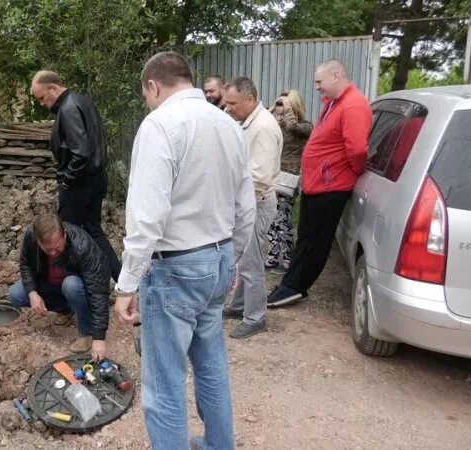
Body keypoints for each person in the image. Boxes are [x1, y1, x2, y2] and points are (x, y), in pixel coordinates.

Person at [114, 51, 255, 450]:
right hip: (218, 257)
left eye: (147, 95)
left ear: (153, 86)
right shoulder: (229, 125)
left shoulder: (160, 125)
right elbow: (246, 206)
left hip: (175, 268)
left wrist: (127, 284)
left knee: (164, 382)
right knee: (211, 365)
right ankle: (217, 445)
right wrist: (233, 261)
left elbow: (147, 218)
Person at [267, 60, 372, 308]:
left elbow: (357, 150)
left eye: (319, 82)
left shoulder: (354, 105)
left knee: (316, 241)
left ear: (336, 76)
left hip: (331, 187)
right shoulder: (334, 103)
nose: (316, 88)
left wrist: (350, 173)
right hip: (317, 185)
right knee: (305, 237)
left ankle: (296, 287)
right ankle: (290, 283)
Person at [30, 70, 122, 281]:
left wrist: (66, 180)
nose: (43, 104)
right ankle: (121, 280)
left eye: (42, 97)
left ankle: (70, 287)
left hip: (79, 183)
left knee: (66, 235)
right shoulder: (81, 101)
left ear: (53, 88)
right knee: (93, 232)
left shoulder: (69, 107)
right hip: (95, 178)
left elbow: (80, 152)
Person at [221, 77, 283, 339]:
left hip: (256, 203)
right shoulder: (251, 122)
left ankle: (255, 316)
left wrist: (236, 202)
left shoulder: (263, 127)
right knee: (245, 259)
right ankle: (238, 306)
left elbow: (260, 176)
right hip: (250, 202)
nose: (228, 108)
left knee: (250, 263)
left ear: (249, 98)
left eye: (233, 103)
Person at [9, 213, 110, 359]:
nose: (53, 253)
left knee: (71, 285)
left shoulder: (82, 245)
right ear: (38, 242)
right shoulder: (31, 237)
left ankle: (86, 332)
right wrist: (32, 293)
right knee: (16, 294)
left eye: (57, 248)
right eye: (48, 249)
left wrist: (99, 337)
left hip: (78, 289)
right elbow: (26, 265)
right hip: (50, 285)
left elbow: (98, 291)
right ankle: (66, 310)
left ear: (65, 235)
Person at [265, 90, 313, 274]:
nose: (280, 109)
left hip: (288, 179)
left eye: (284, 106)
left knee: (283, 220)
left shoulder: (304, 126)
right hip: (273, 177)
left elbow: (294, 128)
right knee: (272, 219)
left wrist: (287, 112)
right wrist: (272, 111)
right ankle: (272, 256)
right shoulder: (278, 124)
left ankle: (287, 260)